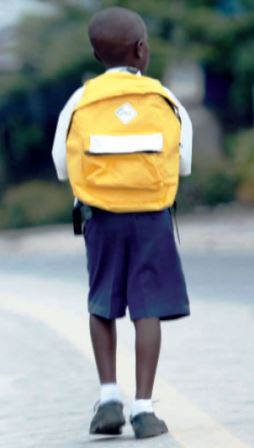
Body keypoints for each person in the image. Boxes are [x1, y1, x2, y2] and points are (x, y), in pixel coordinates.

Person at [52, 6, 192, 440]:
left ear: (96, 55)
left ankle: (109, 397)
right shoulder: (164, 98)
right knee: (146, 305)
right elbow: (183, 162)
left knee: (103, 301)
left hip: (101, 218)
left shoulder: (80, 101)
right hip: (151, 217)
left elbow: (62, 164)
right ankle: (145, 409)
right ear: (141, 50)